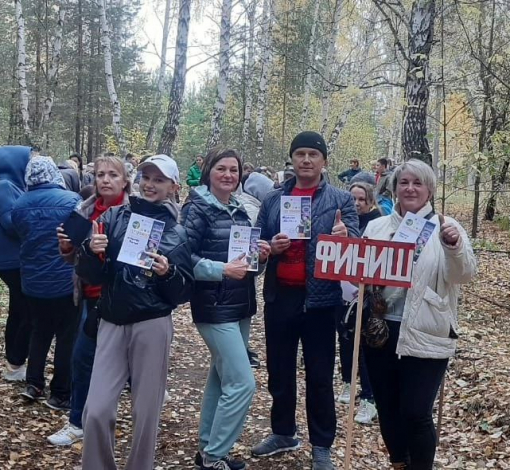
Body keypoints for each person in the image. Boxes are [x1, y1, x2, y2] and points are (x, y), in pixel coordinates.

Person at [77, 154, 193, 470]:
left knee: (146, 412)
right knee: (97, 409)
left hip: (152, 325)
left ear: (173, 186)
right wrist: (90, 252)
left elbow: (183, 291)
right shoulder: (114, 217)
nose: (151, 184)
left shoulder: (177, 233)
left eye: (159, 179)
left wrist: (167, 272)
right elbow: (93, 276)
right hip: (112, 321)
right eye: (146, 177)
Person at [252, 131, 359, 470]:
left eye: (313, 154)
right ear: (292, 159)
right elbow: (256, 246)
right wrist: (270, 247)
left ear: (324, 161)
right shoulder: (272, 199)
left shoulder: (341, 199)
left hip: (322, 300)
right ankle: (283, 432)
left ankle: (322, 444)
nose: (306, 160)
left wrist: (346, 238)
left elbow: (356, 246)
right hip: (281, 296)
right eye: (300, 154)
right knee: (279, 371)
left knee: (319, 374)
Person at [362, 159, 476, 470]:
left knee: (415, 411)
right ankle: (400, 462)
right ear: (395, 188)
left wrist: (453, 246)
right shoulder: (377, 226)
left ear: (429, 189)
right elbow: (359, 278)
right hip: (381, 332)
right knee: (387, 407)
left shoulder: (446, 227)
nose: (410, 188)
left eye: (417, 183)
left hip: (427, 331)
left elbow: (464, 274)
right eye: (404, 182)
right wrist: (347, 246)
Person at [181, 148, 271, 470]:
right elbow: (183, 258)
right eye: (222, 169)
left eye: (234, 170)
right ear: (209, 171)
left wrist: (261, 255)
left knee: (221, 379)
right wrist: (220, 270)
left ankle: (207, 448)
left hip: (240, 304)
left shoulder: (241, 209)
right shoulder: (196, 208)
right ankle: (214, 457)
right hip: (214, 306)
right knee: (243, 383)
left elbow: (246, 267)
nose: (229, 175)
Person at [47, 156, 130, 446]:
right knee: (82, 358)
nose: (105, 180)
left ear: (125, 181)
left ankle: (121, 418)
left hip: (124, 300)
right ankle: (78, 421)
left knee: (123, 362)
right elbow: (73, 257)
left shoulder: (135, 213)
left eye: (112, 175)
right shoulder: (83, 211)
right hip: (90, 297)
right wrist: (67, 247)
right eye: (100, 175)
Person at [12, 156, 82, 407]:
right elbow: (79, 236)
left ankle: (33, 384)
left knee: (39, 332)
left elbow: (19, 234)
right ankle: (60, 393)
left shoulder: (19, 205)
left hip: (32, 281)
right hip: (64, 280)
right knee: (66, 336)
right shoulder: (72, 200)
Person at [336, 182, 381, 425]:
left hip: (364, 296)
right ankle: (347, 383)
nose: (356, 203)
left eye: (361, 199)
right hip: (342, 293)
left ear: (369, 201)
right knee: (344, 339)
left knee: (363, 347)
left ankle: (368, 398)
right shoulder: (341, 221)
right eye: (352, 198)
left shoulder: (376, 223)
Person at [0, 145, 32, 382]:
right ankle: (15, 362)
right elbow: (11, 223)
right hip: (11, 260)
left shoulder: (10, 185)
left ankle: (16, 359)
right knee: (23, 310)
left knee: (20, 308)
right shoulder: (4, 186)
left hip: (12, 258)